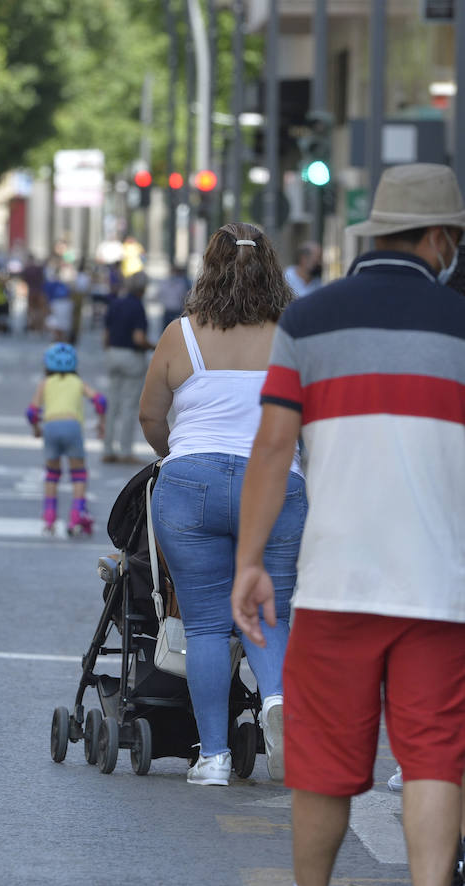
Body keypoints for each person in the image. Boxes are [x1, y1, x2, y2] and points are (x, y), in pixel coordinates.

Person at [232, 164, 465, 886]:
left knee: (324, 763)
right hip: (442, 585)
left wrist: (250, 562)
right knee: (434, 758)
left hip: (335, 580)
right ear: (437, 239)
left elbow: (272, 449)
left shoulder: (310, 320)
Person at [137, 223, 307, 788]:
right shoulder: (293, 335)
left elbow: (150, 416)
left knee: (207, 625)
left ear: (207, 269)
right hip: (278, 482)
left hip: (192, 483)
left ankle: (211, 757)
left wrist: (177, 456)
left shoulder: (179, 335)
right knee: (268, 611)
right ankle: (277, 701)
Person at [26, 343, 105, 536]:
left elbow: (32, 411)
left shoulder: (45, 383)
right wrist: (101, 423)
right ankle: (76, 516)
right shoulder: (77, 382)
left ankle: (49, 518)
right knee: (78, 473)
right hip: (72, 427)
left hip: (51, 427)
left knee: (52, 474)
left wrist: (36, 428)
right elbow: (100, 401)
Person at [102, 272, 152, 463]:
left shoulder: (115, 303)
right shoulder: (138, 307)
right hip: (132, 357)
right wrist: (152, 346)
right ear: (143, 289)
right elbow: (138, 338)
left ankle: (107, 448)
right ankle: (125, 451)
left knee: (113, 403)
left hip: (113, 353)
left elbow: (105, 335)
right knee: (129, 406)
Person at [157, 261, 191, 328]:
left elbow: (184, 297)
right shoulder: (165, 282)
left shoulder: (182, 283)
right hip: (168, 311)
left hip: (177, 311)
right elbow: (160, 295)